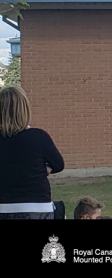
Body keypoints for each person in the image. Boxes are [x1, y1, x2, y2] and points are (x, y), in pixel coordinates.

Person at [0, 87, 64, 220]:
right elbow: (59, 164)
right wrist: (46, 168)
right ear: (25, 110)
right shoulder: (39, 137)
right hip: (38, 207)